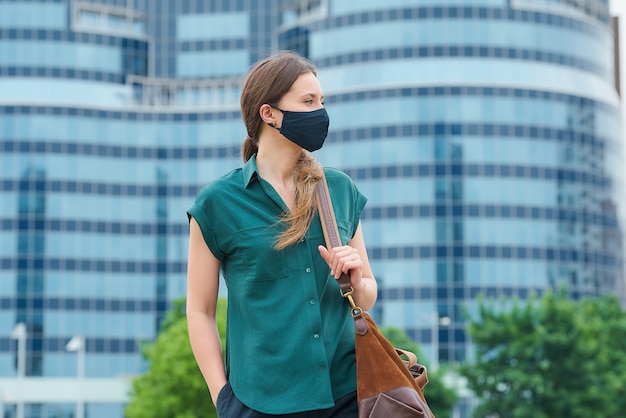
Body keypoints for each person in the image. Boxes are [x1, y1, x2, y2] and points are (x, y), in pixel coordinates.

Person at [186, 50, 377, 417]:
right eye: (308, 101)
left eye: (322, 101)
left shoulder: (338, 189)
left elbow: (367, 293)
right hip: (259, 400)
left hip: (347, 394)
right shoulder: (217, 203)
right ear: (268, 113)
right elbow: (199, 310)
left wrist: (357, 279)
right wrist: (223, 397)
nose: (320, 112)